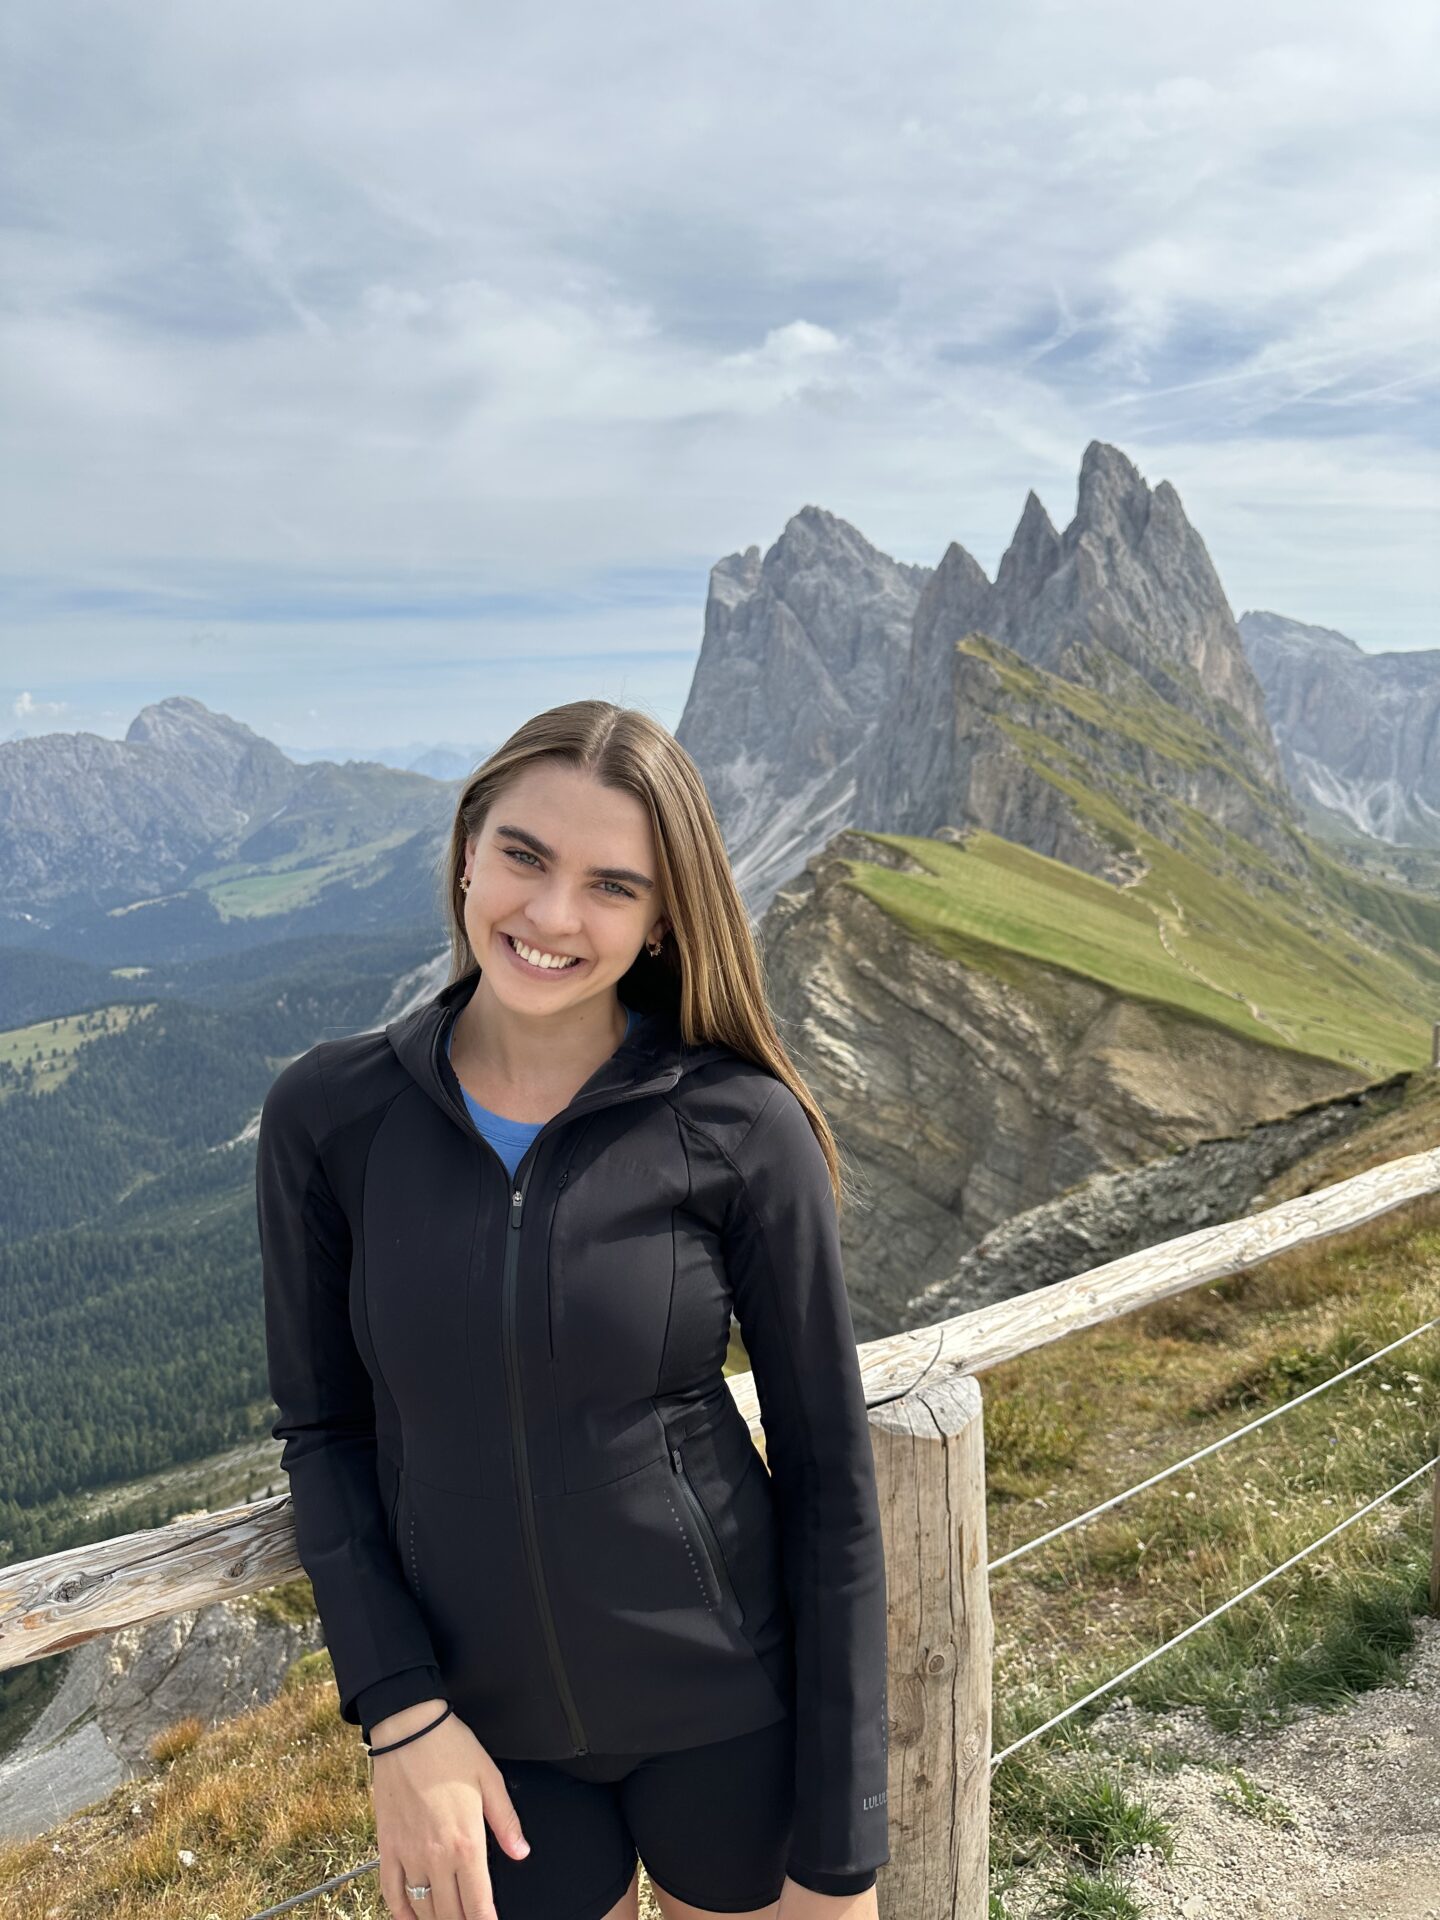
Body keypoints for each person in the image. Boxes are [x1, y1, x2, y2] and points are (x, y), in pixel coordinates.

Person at [257, 700, 891, 1920]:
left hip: (734, 1719)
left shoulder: (740, 1127)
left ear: (662, 922)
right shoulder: (327, 1118)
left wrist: (841, 1848)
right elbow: (324, 1437)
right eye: (524, 857)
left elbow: (830, 1479)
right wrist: (400, 1718)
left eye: (612, 885)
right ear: (465, 855)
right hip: (476, 1751)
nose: (551, 917)